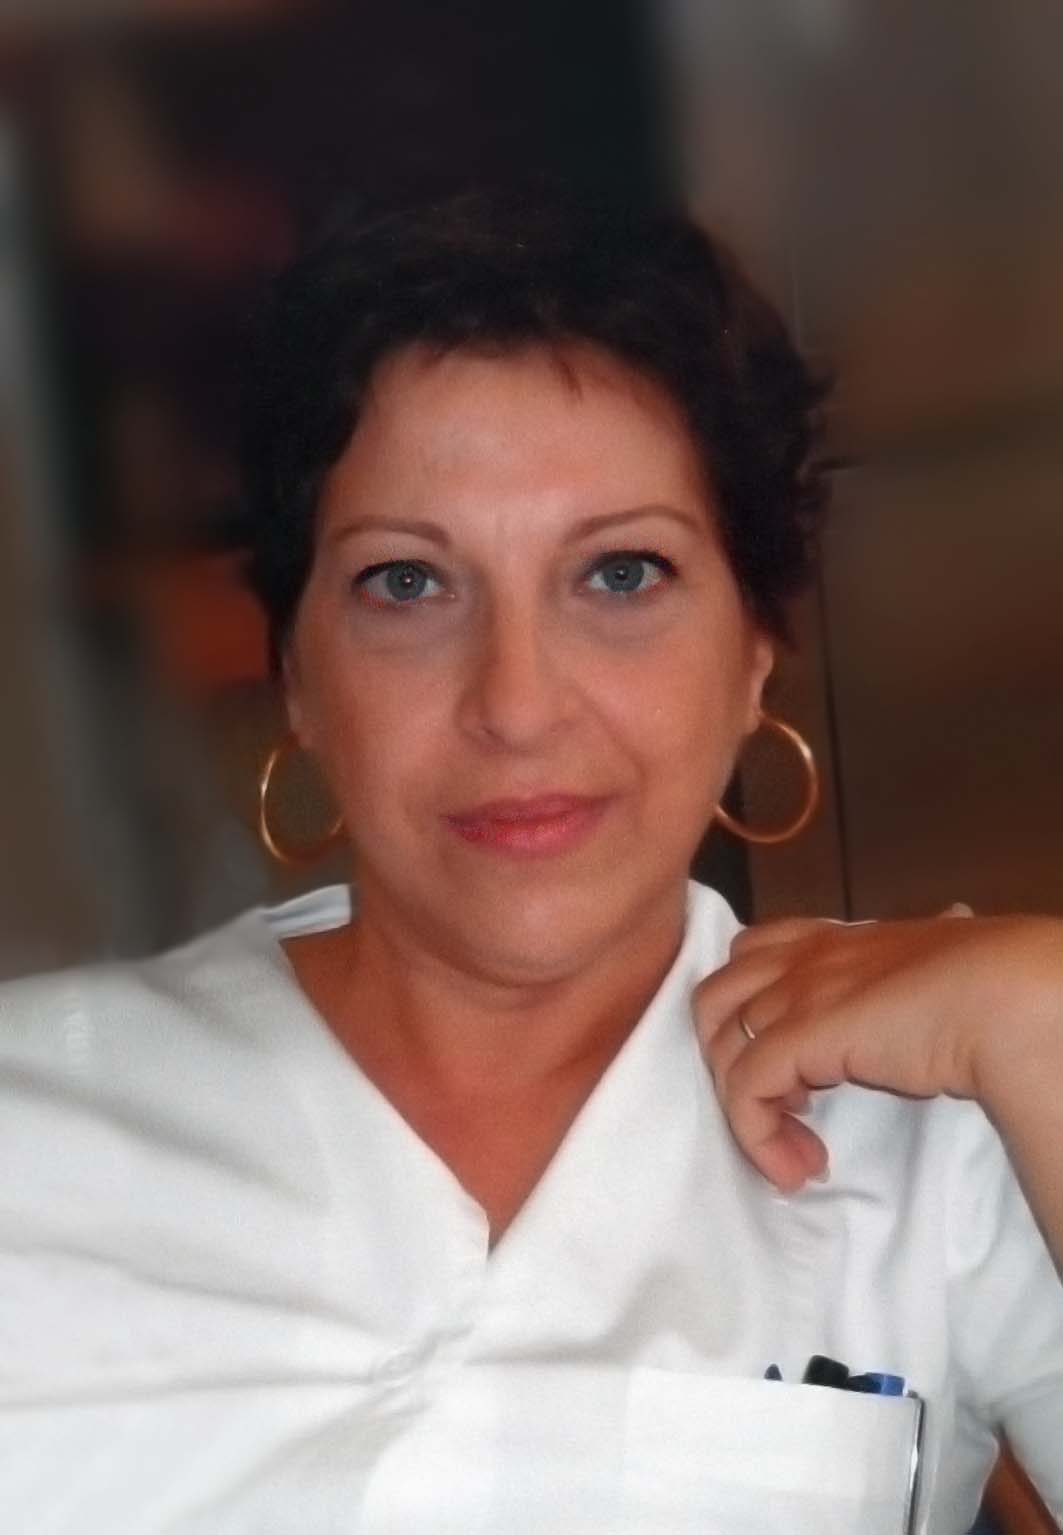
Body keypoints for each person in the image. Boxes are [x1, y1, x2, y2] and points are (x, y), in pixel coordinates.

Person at [1, 187, 1060, 1535]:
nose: (515, 704)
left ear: (754, 652)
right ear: (297, 675)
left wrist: (1046, 1019)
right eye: (407, 582)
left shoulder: (951, 1126)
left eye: (620, 574)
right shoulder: (33, 1112)